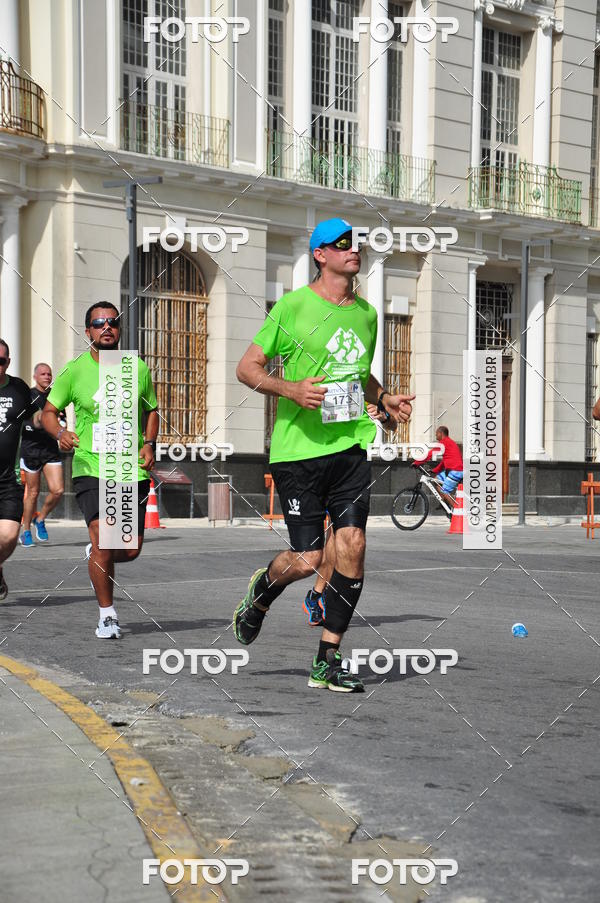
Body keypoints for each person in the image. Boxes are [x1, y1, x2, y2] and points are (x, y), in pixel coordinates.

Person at [234, 218, 414, 692]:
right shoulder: (293, 307)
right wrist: (289, 388)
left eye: (356, 245)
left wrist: (383, 399)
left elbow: (360, 375)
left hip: (350, 445)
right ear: (320, 255)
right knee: (310, 557)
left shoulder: (368, 315)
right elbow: (246, 368)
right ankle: (263, 592)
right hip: (298, 452)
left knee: (352, 546)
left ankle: (327, 661)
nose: (353, 251)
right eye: (341, 245)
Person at [41, 303, 159, 639]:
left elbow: (152, 410)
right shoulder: (74, 370)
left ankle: (97, 554)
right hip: (91, 465)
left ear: (119, 329)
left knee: (130, 550)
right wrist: (61, 432)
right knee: (104, 539)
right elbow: (50, 411)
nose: (106, 327)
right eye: (98, 323)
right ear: (88, 331)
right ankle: (107, 615)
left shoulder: (137, 368)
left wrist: (149, 443)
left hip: (129, 468)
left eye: (113, 322)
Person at [302, 403, 398, 627]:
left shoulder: (366, 383)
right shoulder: (323, 377)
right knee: (329, 544)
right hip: (320, 461)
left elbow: (392, 423)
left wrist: (382, 415)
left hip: (354, 468)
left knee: (344, 538)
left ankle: (319, 596)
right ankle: (318, 595)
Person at [0, 339, 43, 600]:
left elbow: (34, 416)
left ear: (8, 362)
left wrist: (50, 417)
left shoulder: (18, 388)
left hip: (8, 479)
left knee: (8, 536)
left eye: (1, 361)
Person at [19, 363, 66, 547]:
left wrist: (62, 431)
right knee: (32, 492)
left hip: (50, 449)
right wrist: (41, 420)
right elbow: (25, 421)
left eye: (49, 374)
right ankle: (26, 531)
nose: (47, 377)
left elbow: (61, 420)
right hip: (31, 449)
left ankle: (41, 519)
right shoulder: (27, 396)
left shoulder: (56, 396)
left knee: (58, 490)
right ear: (35, 377)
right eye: (43, 374)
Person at [413, 425, 463, 508]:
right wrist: (435, 470)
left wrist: (417, 462)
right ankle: (446, 503)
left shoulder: (444, 443)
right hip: (454, 470)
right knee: (437, 480)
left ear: (441, 433)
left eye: (436, 434)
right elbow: (445, 460)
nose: (436, 436)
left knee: (444, 491)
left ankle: (456, 511)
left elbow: (430, 454)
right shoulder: (450, 442)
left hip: (455, 471)